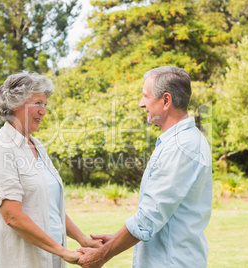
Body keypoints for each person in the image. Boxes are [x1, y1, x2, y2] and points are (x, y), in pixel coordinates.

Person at [77, 66, 213, 267]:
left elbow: (149, 217)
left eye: (145, 97)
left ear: (166, 101)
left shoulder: (181, 147)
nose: (141, 104)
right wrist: (116, 239)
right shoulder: (178, 142)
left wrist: (103, 255)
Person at [0, 72, 102, 268]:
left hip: (51, 257)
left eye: (45, 105)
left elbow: (50, 206)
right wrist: (63, 251)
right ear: (15, 104)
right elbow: (12, 216)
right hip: (19, 259)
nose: (43, 111)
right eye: (38, 103)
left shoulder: (37, 146)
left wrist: (82, 239)